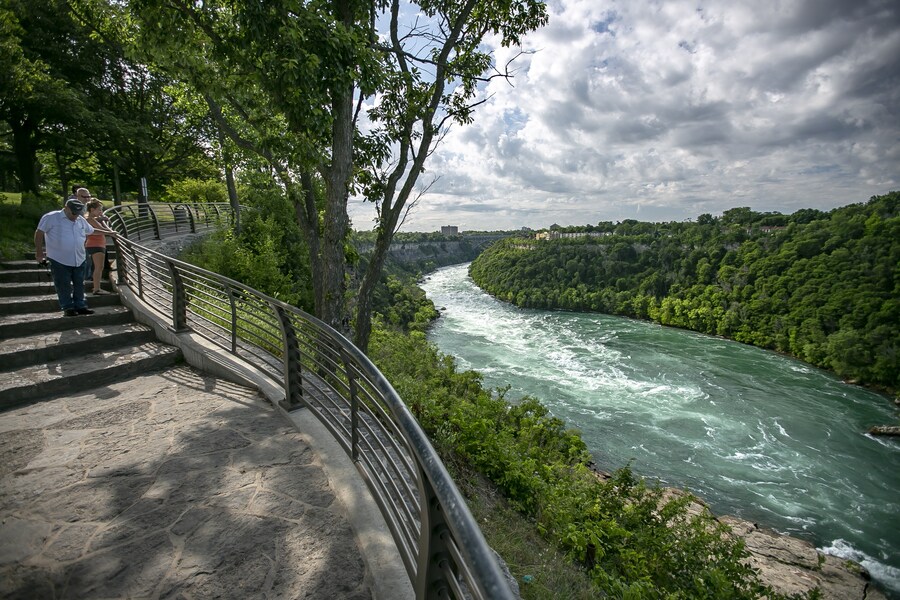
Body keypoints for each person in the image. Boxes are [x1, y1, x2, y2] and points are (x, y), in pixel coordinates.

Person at [34, 198, 97, 316]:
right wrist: (39, 252)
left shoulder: (80, 220)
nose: (75, 216)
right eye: (73, 213)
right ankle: (67, 307)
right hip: (59, 259)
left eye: (78, 214)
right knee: (63, 284)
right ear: (66, 208)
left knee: (79, 283)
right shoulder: (51, 217)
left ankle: (81, 305)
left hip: (79, 258)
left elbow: (90, 231)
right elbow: (39, 233)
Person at [83, 198, 116, 294]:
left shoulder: (91, 219)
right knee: (99, 267)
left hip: (96, 244)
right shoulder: (90, 219)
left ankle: (97, 288)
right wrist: (111, 233)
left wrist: (101, 218)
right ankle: (97, 288)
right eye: (99, 210)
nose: (101, 212)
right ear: (92, 210)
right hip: (96, 245)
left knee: (98, 267)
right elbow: (102, 230)